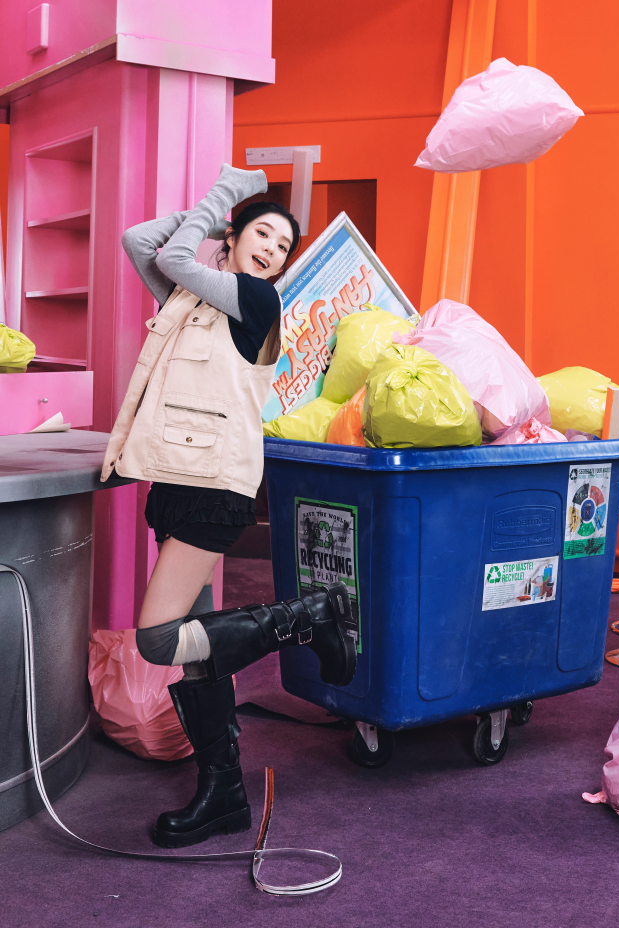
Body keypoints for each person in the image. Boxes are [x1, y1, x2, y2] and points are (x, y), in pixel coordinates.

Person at [105, 165, 357, 848]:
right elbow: (139, 242)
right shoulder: (193, 300)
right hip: (175, 481)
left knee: (159, 639)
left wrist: (225, 194)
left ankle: (307, 617)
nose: (272, 249)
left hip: (215, 485)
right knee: (199, 654)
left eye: (282, 245)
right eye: (262, 233)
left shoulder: (255, 300)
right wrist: (218, 217)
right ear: (234, 238)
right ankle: (223, 792)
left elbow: (173, 258)